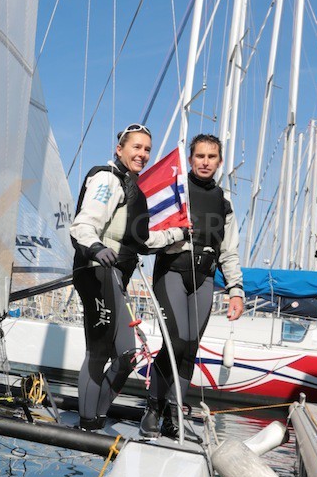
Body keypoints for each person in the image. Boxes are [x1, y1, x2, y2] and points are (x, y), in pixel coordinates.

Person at [70, 124, 183, 431]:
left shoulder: (132, 187)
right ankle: (87, 423)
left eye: (147, 149)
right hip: (95, 270)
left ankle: (96, 419)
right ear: (119, 149)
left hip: (115, 275)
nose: (143, 154)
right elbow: (83, 224)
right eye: (136, 147)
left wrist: (179, 233)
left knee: (128, 354)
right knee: (98, 350)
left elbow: (143, 241)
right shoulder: (107, 179)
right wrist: (95, 247)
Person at [142, 132, 244, 439]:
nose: (205, 162)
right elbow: (147, 230)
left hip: (204, 279)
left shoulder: (224, 202)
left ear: (219, 162)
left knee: (190, 348)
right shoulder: (175, 191)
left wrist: (236, 290)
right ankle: (153, 408)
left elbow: (229, 250)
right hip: (172, 271)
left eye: (211, 157)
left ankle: (174, 416)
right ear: (190, 159)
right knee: (178, 342)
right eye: (199, 156)